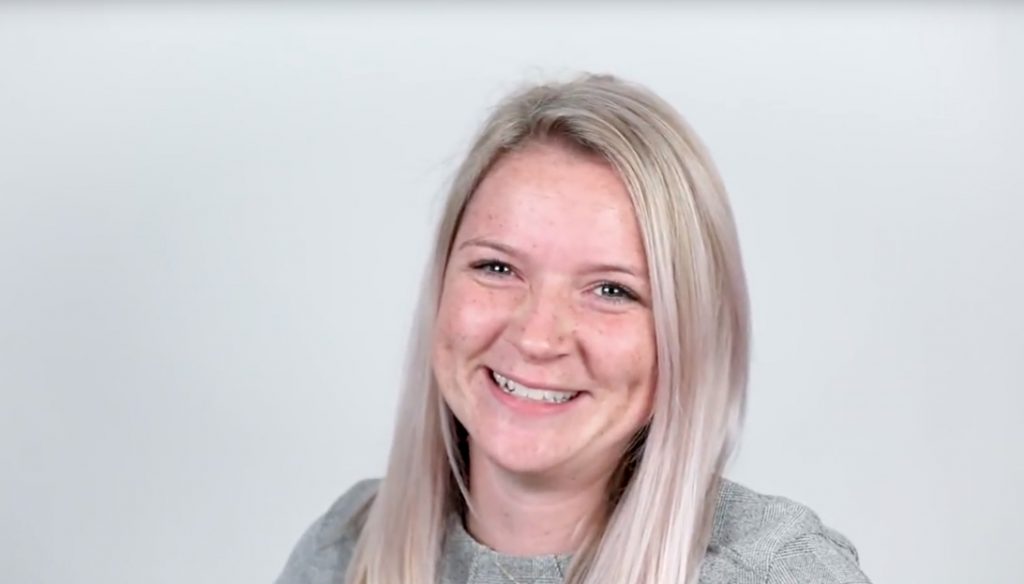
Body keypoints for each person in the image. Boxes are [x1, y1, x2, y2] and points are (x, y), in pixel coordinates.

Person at [276, 73, 871, 584]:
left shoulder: (778, 572)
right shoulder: (347, 550)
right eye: (497, 267)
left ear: (687, 340)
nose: (537, 338)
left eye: (612, 290)